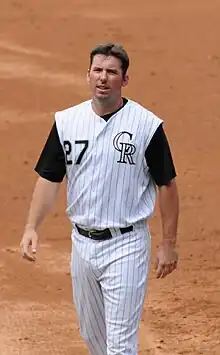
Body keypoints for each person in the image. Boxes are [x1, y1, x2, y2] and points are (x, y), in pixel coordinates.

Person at [20, 42, 179, 355]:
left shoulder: (146, 126)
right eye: (98, 70)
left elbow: (167, 185)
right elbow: (50, 178)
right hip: (82, 245)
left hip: (127, 244)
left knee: (119, 345)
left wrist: (168, 244)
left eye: (112, 72)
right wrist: (31, 227)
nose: (103, 77)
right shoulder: (67, 122)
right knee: (94, 340)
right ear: (88, 75)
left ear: (124, 80)